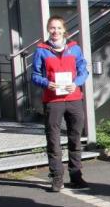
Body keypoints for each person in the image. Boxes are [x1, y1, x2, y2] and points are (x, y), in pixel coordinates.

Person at [31, 16, 90, 192]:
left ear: (64, 30)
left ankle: (76, 176)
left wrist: (76, 83)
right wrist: (46, 83)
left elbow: (83, 70)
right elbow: (35, 75)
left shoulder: (75, 48)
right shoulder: (41, 50)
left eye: (58, 28)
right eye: (52, 28)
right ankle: (57, 178)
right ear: (48, 30)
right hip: (53, 100)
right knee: (53, 141)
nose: (55, 31)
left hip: (74, 99)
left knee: (75, 139)